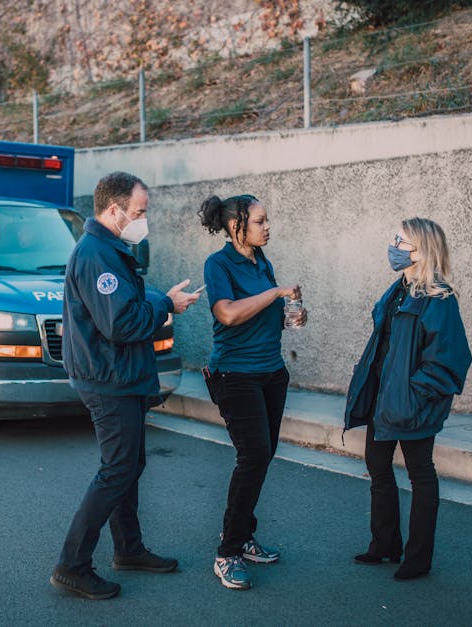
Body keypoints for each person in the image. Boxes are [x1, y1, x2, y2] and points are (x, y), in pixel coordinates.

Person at [50, 171, 200, 600]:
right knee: (116, 470)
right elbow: (121, 321)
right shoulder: (96, 254)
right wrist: (165, 305)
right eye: (139, 212)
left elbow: (129, 304)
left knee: (129, 467)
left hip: (122, 375)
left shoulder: (111, 248)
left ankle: (129, 550)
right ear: (114, 210)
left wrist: (161, 301)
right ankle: (72, 565)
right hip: (109, 378)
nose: (143, 219)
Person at [344, 217, 472, 581]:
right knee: (377, 466)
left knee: (420, 475)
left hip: (412, 403)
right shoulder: (398, 289)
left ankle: (417, 558)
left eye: (400, 241)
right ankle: (384, 545)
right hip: (384, 399)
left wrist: (415, 394)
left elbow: (449, 361)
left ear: (421, 251)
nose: (393, 246)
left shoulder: (440, 299)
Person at [197, 194, 305, 590]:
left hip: (271, 373)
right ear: (235, 226)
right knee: (253, 454)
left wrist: (291, 311)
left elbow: (263, 315)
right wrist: (276, 294)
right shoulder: (219, 264)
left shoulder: (263, 262)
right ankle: (228, 552)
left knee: (262, 456)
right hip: (234, 375)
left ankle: (242, 534)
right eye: (259, 221)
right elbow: (227, 312)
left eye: (267, 220)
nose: (267, 226)